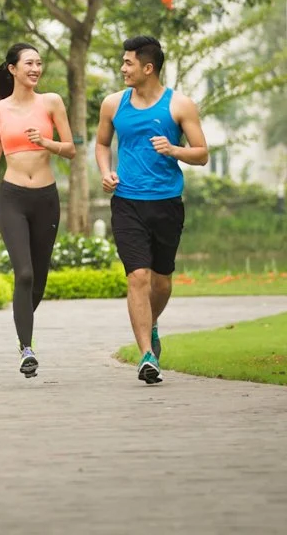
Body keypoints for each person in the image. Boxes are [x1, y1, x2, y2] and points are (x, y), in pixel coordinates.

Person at [93, 34, 208, 385]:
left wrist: (174, 150)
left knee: (161, 281)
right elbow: (101, 143)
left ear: (148, 68)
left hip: (167, 203)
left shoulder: (180, 105)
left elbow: (201, 153)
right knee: (137, 277)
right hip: (127, 201)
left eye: (128, 63)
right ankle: (146, 355)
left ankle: (152, 323)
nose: (122, 68)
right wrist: (105, 172)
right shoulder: (113, 104)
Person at [0, 42, 76, 377]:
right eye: (29, 63)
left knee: (37, 281)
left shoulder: (51, 102)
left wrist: (46, 142)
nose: (35, 69)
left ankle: (23, 325)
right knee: (23, 273)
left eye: (39, 63)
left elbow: (70, 149)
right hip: (12, 198)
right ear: (12, 69)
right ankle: (26, 348)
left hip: (46, 200)